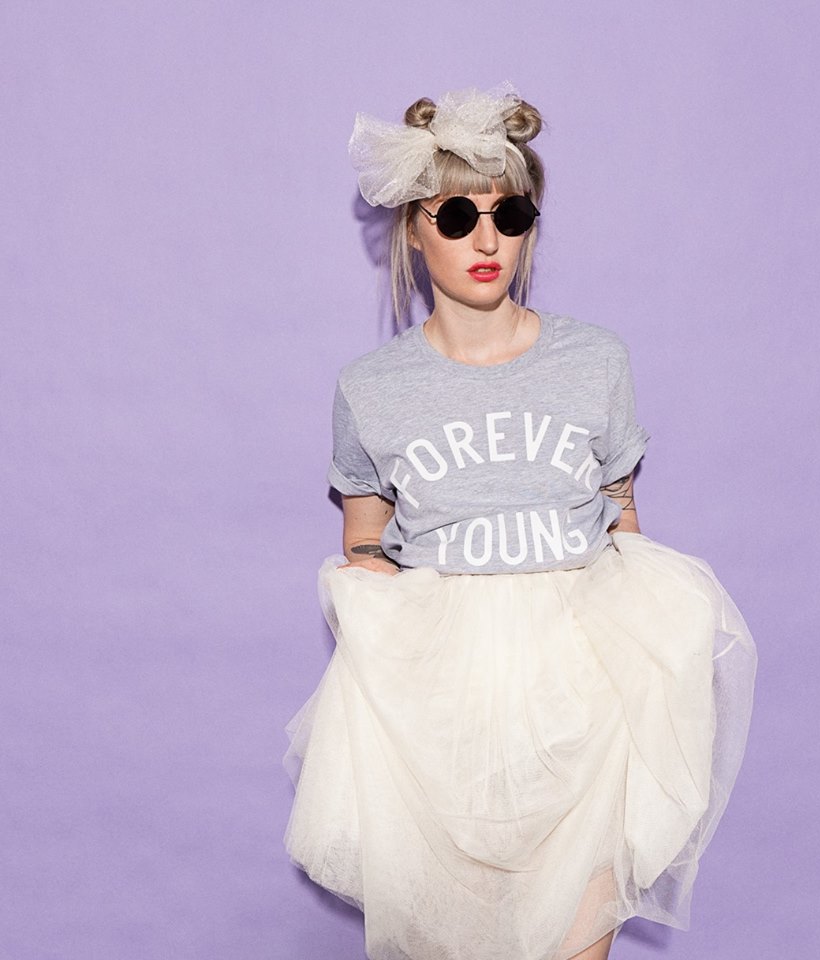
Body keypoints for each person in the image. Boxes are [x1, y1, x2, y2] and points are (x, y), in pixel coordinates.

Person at [283, 83, 757, 960]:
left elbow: (620, 515)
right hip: (442, 704)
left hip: (584, 691)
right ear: (414, 229)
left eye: (510, 214)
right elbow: (361, 540)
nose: (486, 239)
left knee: (577, 935)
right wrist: (402, 642)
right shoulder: (372, 389)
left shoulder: (594, 360)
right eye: (457, 215)